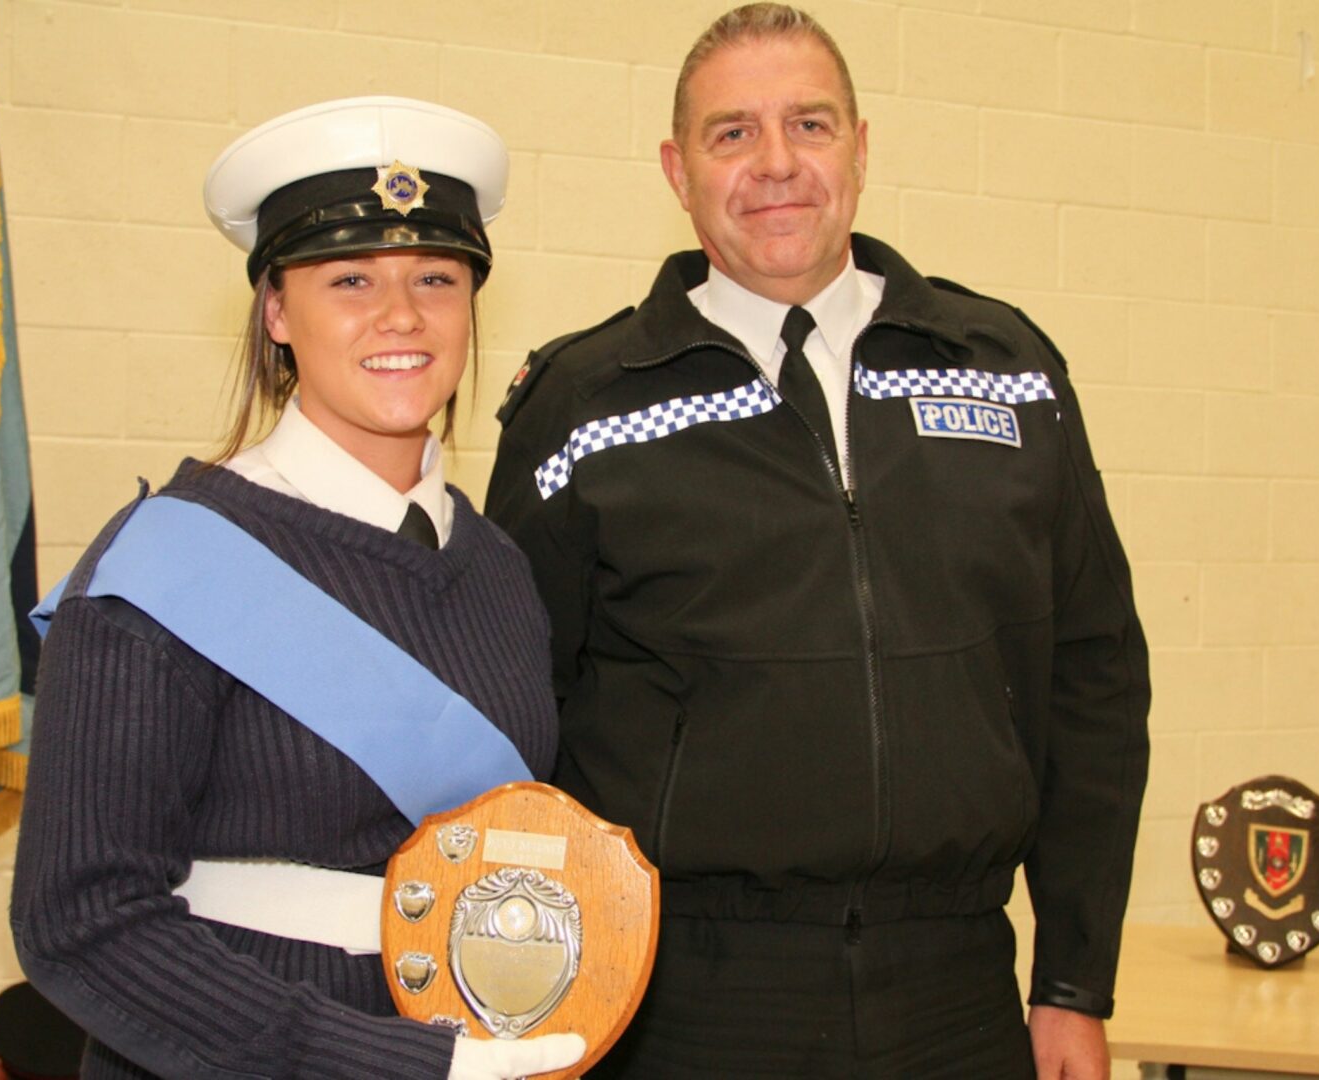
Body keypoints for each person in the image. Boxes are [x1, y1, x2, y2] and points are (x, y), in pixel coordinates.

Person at [485, 6, 1150, 1079]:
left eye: (810, 124)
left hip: (957, 992)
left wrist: (1073, 980)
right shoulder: (583, 405)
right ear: (677, 168)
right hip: (683, 1002)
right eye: (732, 134)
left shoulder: (1008, 370)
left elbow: (1094, 679)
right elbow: (515, 720)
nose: (777, 163)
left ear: (861, 145)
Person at [12, 97, 584, 1080]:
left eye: (437, 278)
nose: (401, 315)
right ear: (278, 311)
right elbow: (81, 919)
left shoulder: (500, 570)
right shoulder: (163, 565)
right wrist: (388, 1064)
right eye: (350, 278)